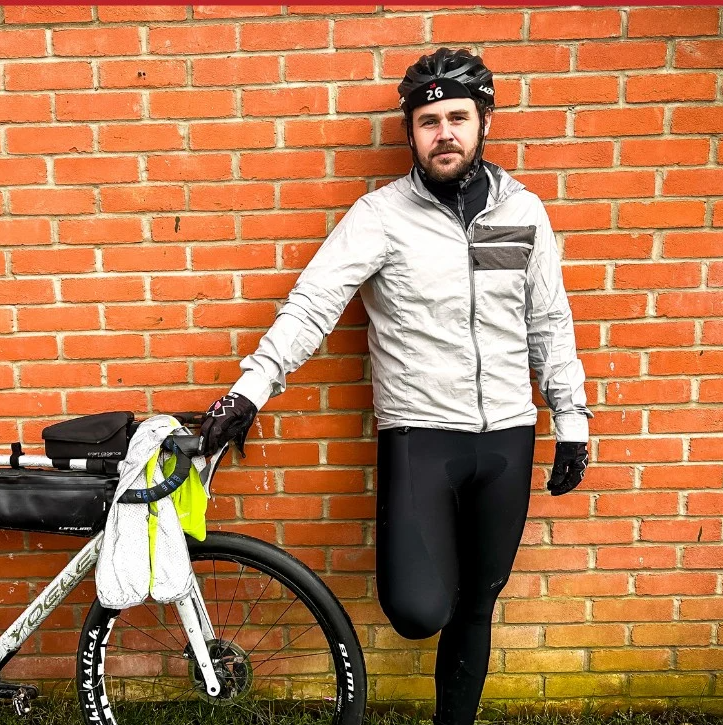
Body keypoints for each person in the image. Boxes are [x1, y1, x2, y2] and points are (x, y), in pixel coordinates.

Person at [198, 48, 593, 725]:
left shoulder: (523, 212)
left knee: (478, 602)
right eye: (428, 121)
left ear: (484, 121)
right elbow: (313, 304)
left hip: (507, 435)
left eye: (458, 118)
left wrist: (571, 421)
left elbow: (549, 322)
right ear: (410, 132)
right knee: (418, 610)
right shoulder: (381, 216)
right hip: (421, 435)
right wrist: (251, 388)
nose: (445, 133)